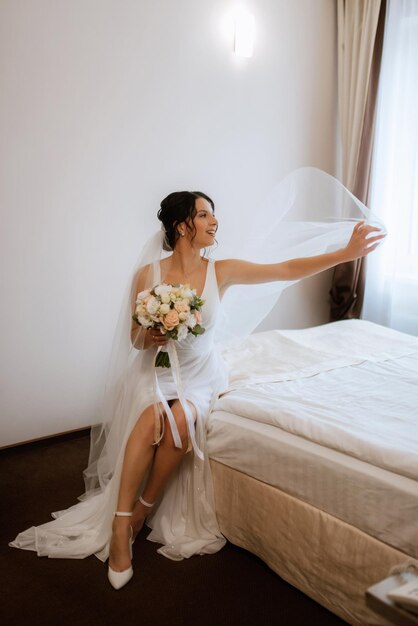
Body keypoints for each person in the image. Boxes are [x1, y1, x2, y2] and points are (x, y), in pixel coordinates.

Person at [9, 170, 385, 591]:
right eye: (205, 214)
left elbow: (285, 268)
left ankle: (142, 512)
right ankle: (119, 527)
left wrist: (345, 252)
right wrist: (149, 333)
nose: (215, 222)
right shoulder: (147, 276)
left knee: (183, 420)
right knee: (153, 419)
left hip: (202, 374)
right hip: (158, 371)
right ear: (181, 225)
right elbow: (134, 340)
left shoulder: (220, 271)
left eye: (213, 214)